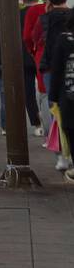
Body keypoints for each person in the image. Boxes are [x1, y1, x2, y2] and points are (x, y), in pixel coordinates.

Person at [38, 0, 73, 171]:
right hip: (71, 67)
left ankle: (61, 156)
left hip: (52, 68)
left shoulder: (46, 19)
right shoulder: (71, 15)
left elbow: (33, 39)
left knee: (55, 111)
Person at [48, 19, 74, 182]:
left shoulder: (64, 40)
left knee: (70, 129)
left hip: (69, 95)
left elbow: (56, 69)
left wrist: (54, 97)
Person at [18, 0, 43, 136]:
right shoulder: (43, 11)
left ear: (23, 0)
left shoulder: (18, 14)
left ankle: (36, 124)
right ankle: (48, 121)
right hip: (41, 55)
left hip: (24, 56)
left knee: (29, 92)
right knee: (45, 90)